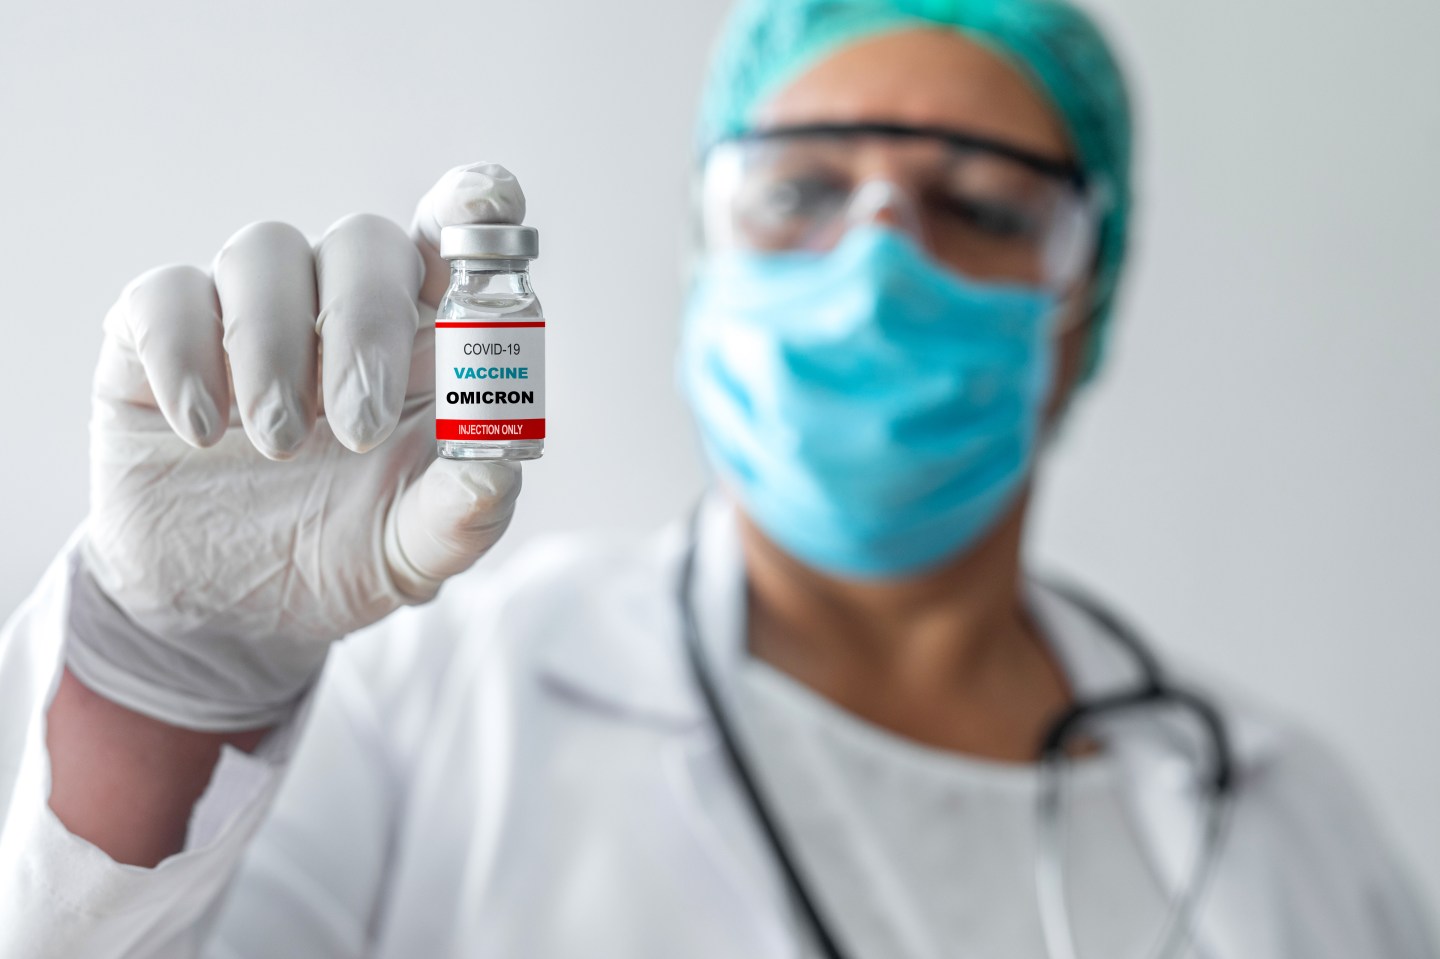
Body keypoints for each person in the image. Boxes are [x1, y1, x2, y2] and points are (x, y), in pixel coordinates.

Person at [0, 0, 1433, 955]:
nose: (876, 266)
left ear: (1087, 302)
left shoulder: (1286, 821)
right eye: (800, 191)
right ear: (704, 253)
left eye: (983, 207)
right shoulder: (429, 712)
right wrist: (170, 684)